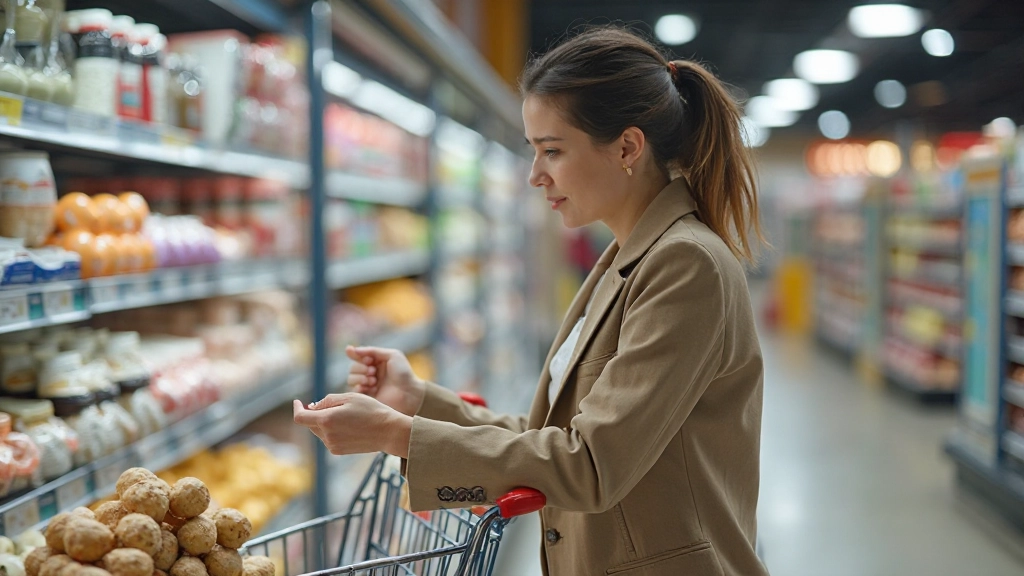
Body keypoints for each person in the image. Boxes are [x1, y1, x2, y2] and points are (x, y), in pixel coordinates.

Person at [293, 26, 768, 576]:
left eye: (553, 151)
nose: (535, 175)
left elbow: (589, 465)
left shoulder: (687, 266)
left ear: (627, 148)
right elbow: (557, 436)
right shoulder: (624, 259)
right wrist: (420, 401)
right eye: (534, 150)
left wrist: (393, 434)